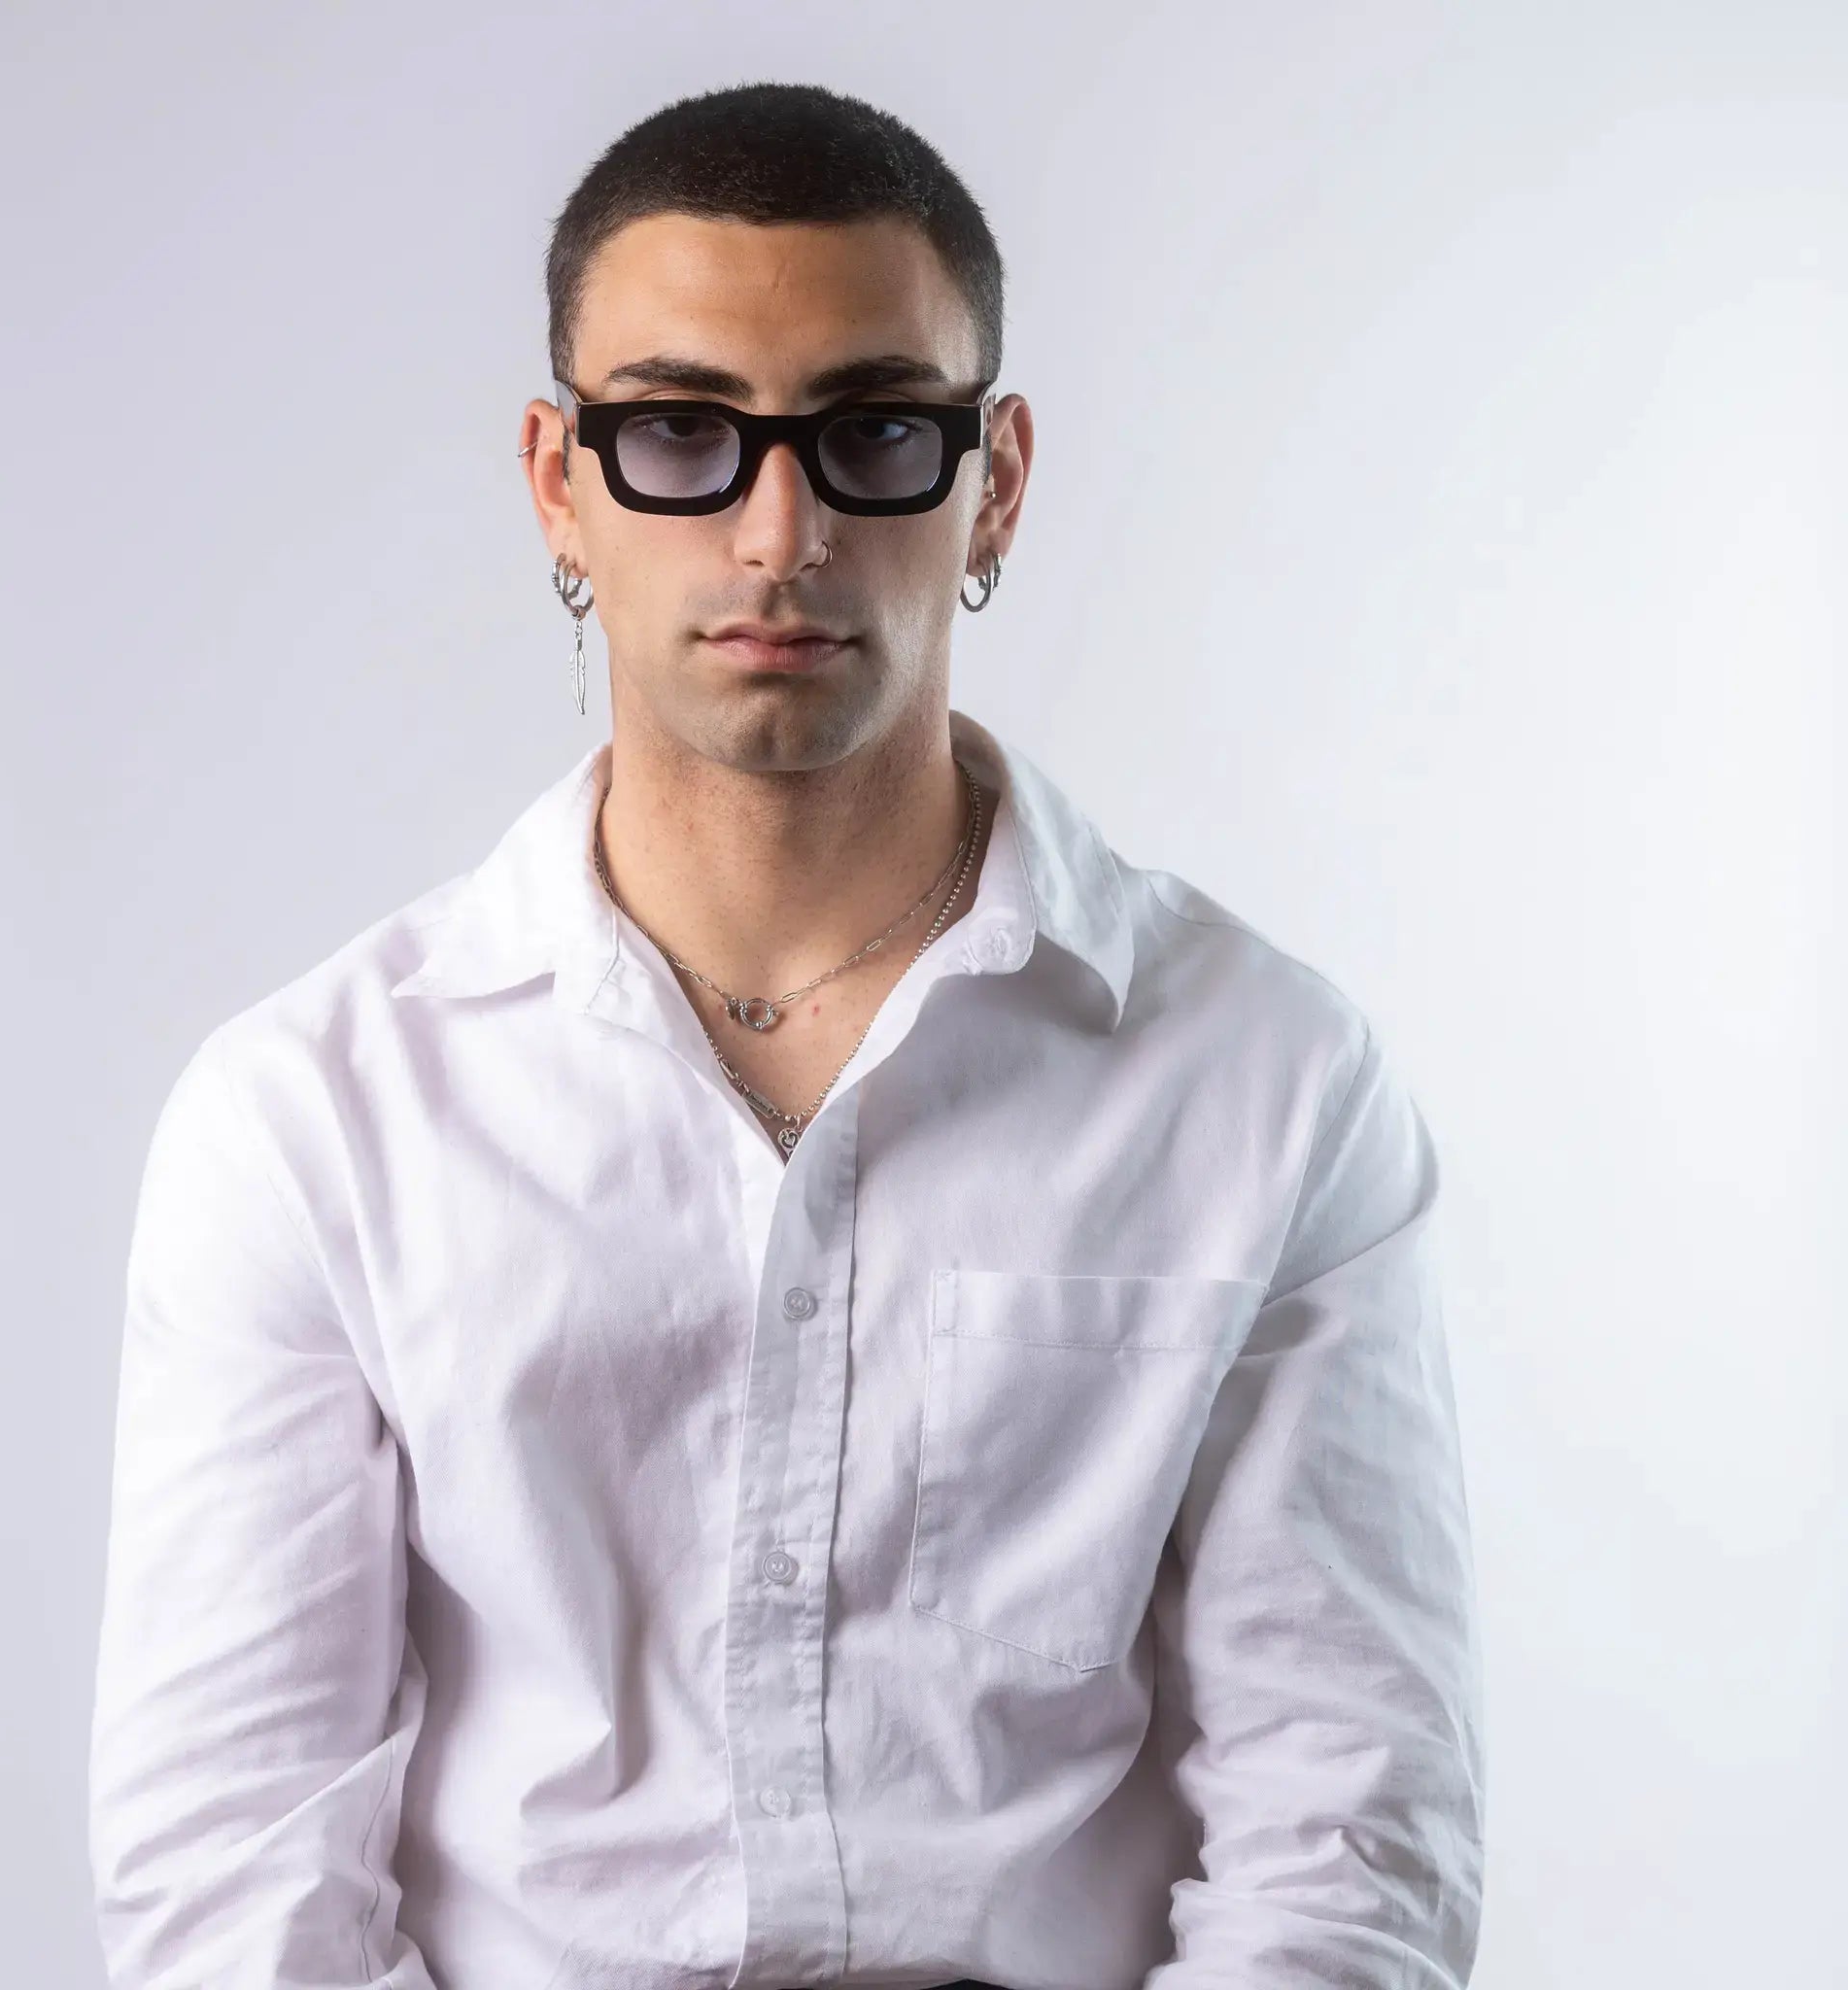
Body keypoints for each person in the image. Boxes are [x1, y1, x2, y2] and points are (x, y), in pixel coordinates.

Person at [87, 81, 1486, 1990]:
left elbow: (1347, 1850)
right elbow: (231, 1872)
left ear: (990, 478)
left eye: (870, 432)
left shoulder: (1270, 1088)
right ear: (556, 480)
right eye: (678, 429)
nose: (777, 528)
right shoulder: (312, 1117)